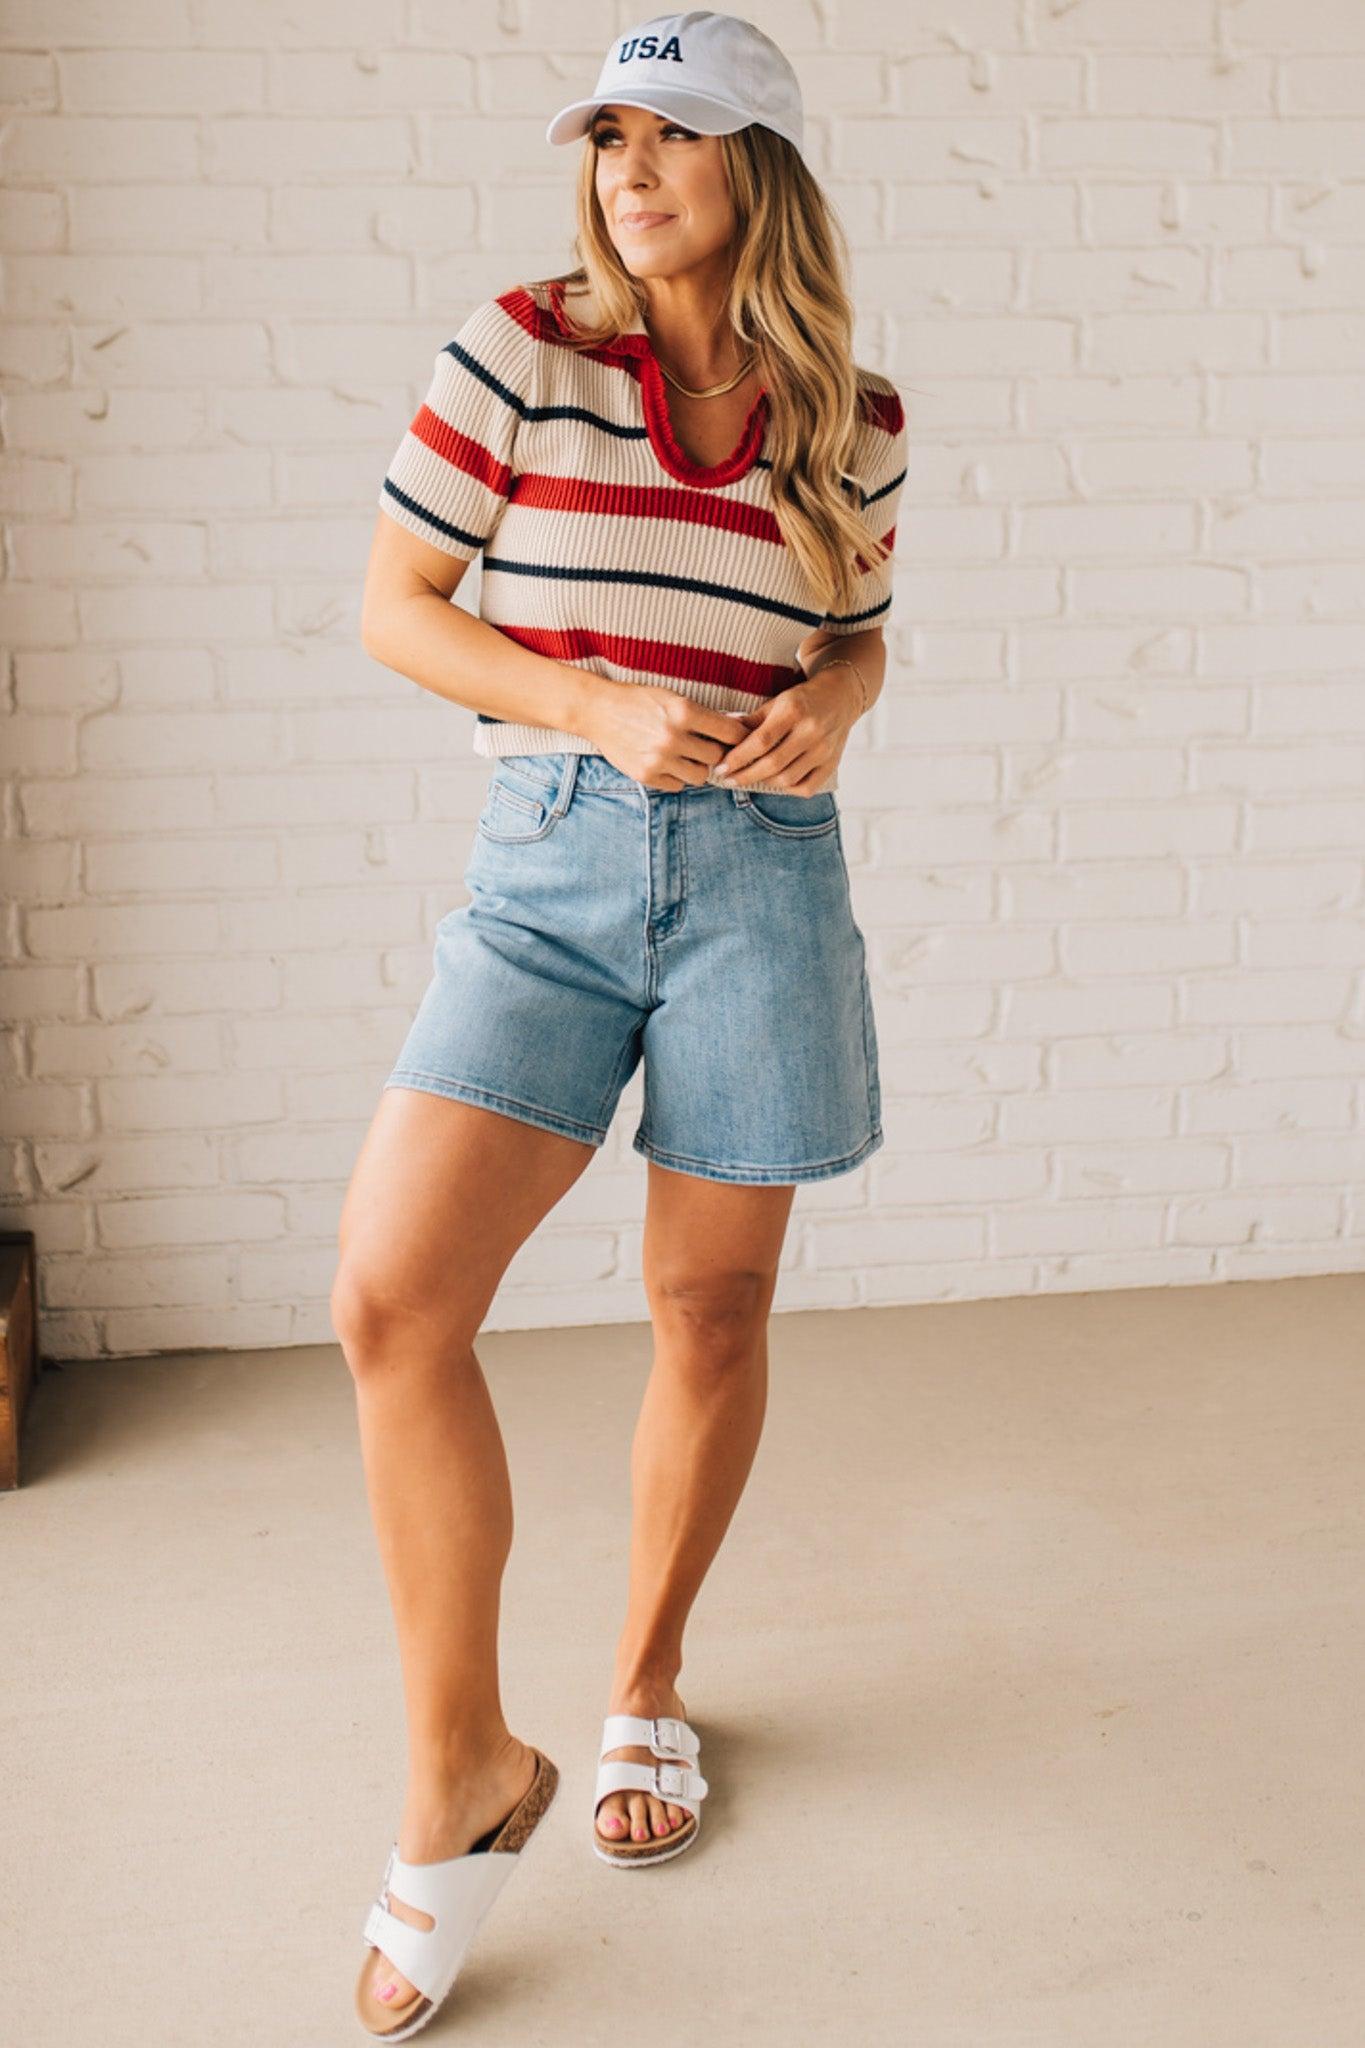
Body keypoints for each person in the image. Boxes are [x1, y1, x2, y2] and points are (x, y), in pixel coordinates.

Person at [338, 11, 908, 2037]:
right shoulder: (518, 353)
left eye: (677, 134)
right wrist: (589, 706)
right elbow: (401, 605)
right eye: (607, 134)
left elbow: (846, 636)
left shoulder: (848, 409)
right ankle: (461, 1772)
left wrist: (829, 702)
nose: (630, 167)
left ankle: (646, 1679)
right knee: (395, 1299)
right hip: (552, 863)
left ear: (760, 167)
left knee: (711, 1312)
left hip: (760, 881)